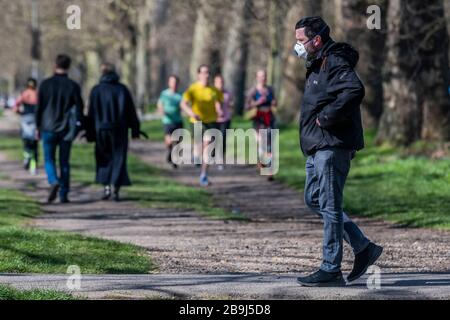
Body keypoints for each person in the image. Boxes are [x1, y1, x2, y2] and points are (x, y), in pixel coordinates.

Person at [293, 16, 383, 287]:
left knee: (331, 207)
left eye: (300, 41)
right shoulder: (317, 62)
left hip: (331, 147)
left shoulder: (334, 61)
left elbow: (354, 90)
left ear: (316, 40)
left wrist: (327, 118)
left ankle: (331, 268)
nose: (297, 46)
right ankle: (362, 246)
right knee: (314, 200)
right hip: (317, 147)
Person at [86, 63, 141, 202]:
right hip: (119, 129)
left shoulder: (96, 90)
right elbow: (131, 111)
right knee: (119, 158)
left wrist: (90, 132)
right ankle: (115, 186)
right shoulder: (122, 90)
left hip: (101, 130)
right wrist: (135, 129)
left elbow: (91, 113)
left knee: (103, 158)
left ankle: (106, 186)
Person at [36, 54, 84, 204]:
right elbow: (80, 108)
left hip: (48, 127)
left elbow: (39, 108)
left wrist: (38, 126)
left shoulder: (45, 84)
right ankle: (64, 194)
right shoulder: (73, 86)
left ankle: (53, 180)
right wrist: (79, 126)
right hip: (66, 129)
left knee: (49, 159)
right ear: (68, 67)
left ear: (55, 65)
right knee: (64, 162)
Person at [181, 65, 223, 187]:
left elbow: (218, 103)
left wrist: (219, 110)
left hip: (211, 121)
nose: (207, 75)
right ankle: (196, 154)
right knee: (200, 145)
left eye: (208, 72)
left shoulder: (214, 90)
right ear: (199, 74)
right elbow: (183, 104)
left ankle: (203, 175)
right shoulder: (193, 89)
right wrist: (192, 113)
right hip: (196, 121)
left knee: (208, 147)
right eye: (204, 73)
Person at [245, 70, 277, 180]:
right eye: (260, 76)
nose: (262, 78)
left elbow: (274, 102)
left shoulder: (270, 90)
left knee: (270, 145)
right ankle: (262, 162)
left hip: (269, 119)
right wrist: (257, 102)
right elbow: (247, 107)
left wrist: (273, 103)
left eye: (264, 76)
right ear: (257, 78)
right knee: (261, 144)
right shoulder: (253, 91)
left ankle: (269, 171)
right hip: (258, 120)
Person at [157, 75, 184, 169]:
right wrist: (162, 111)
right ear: (169, 83)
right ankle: (170, 152)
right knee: (169, 142)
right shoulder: (164, 94)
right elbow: (160, 104)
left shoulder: (180, 95)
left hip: (178, 120)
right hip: (167, 121)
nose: (174, 84)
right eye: (172, 82)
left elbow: (184, 105)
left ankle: (174, 160)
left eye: (175, 82)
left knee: (177, 142)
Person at [13, 78, 39, 175]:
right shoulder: (37, 94)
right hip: (35, 120)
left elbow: (15, 107)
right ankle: (33, 166)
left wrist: (21, 113)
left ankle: (26, 156)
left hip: (25, 120)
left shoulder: (24, 94)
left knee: (26, 141)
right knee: (35, 144)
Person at [214, 75, 234, 170]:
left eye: (221, 82)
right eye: (218, 82)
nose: (220, 84)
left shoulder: (227, 93)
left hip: (225, 119)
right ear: (214, 83)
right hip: (213, 120)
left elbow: (231, 104)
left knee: (222, 140)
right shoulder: (211, 93)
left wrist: (231, 106)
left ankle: (220, 161)